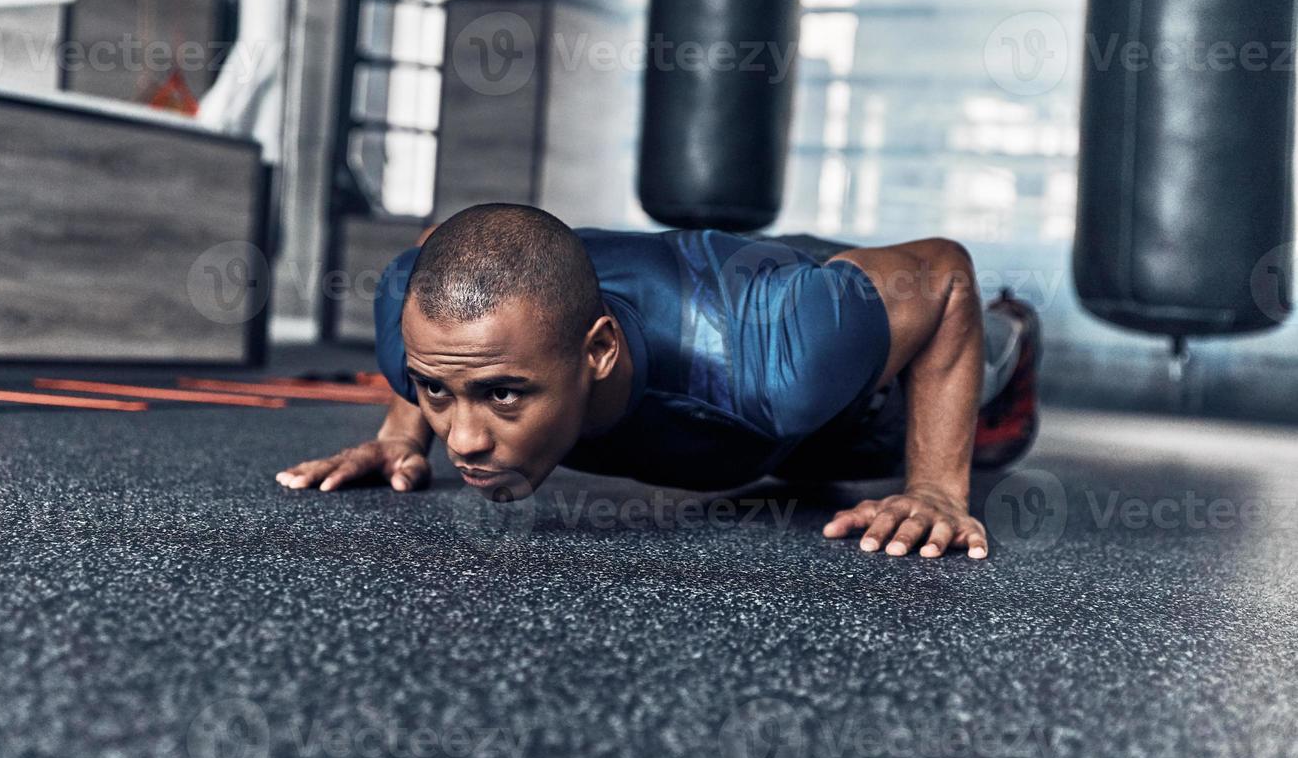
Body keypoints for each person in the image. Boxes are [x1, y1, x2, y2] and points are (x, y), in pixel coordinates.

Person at [277, 203, 1041, 560]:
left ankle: (1016, 329)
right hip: (750, 377)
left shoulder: (775, 351)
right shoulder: (414, 315)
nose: (466, 441)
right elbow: (437, 251)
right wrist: (401, 431)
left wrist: (937, 489)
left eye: (504, 394)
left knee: (992, 393)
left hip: (858, 395)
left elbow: (943, 273)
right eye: (440, 392)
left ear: (600, 350)